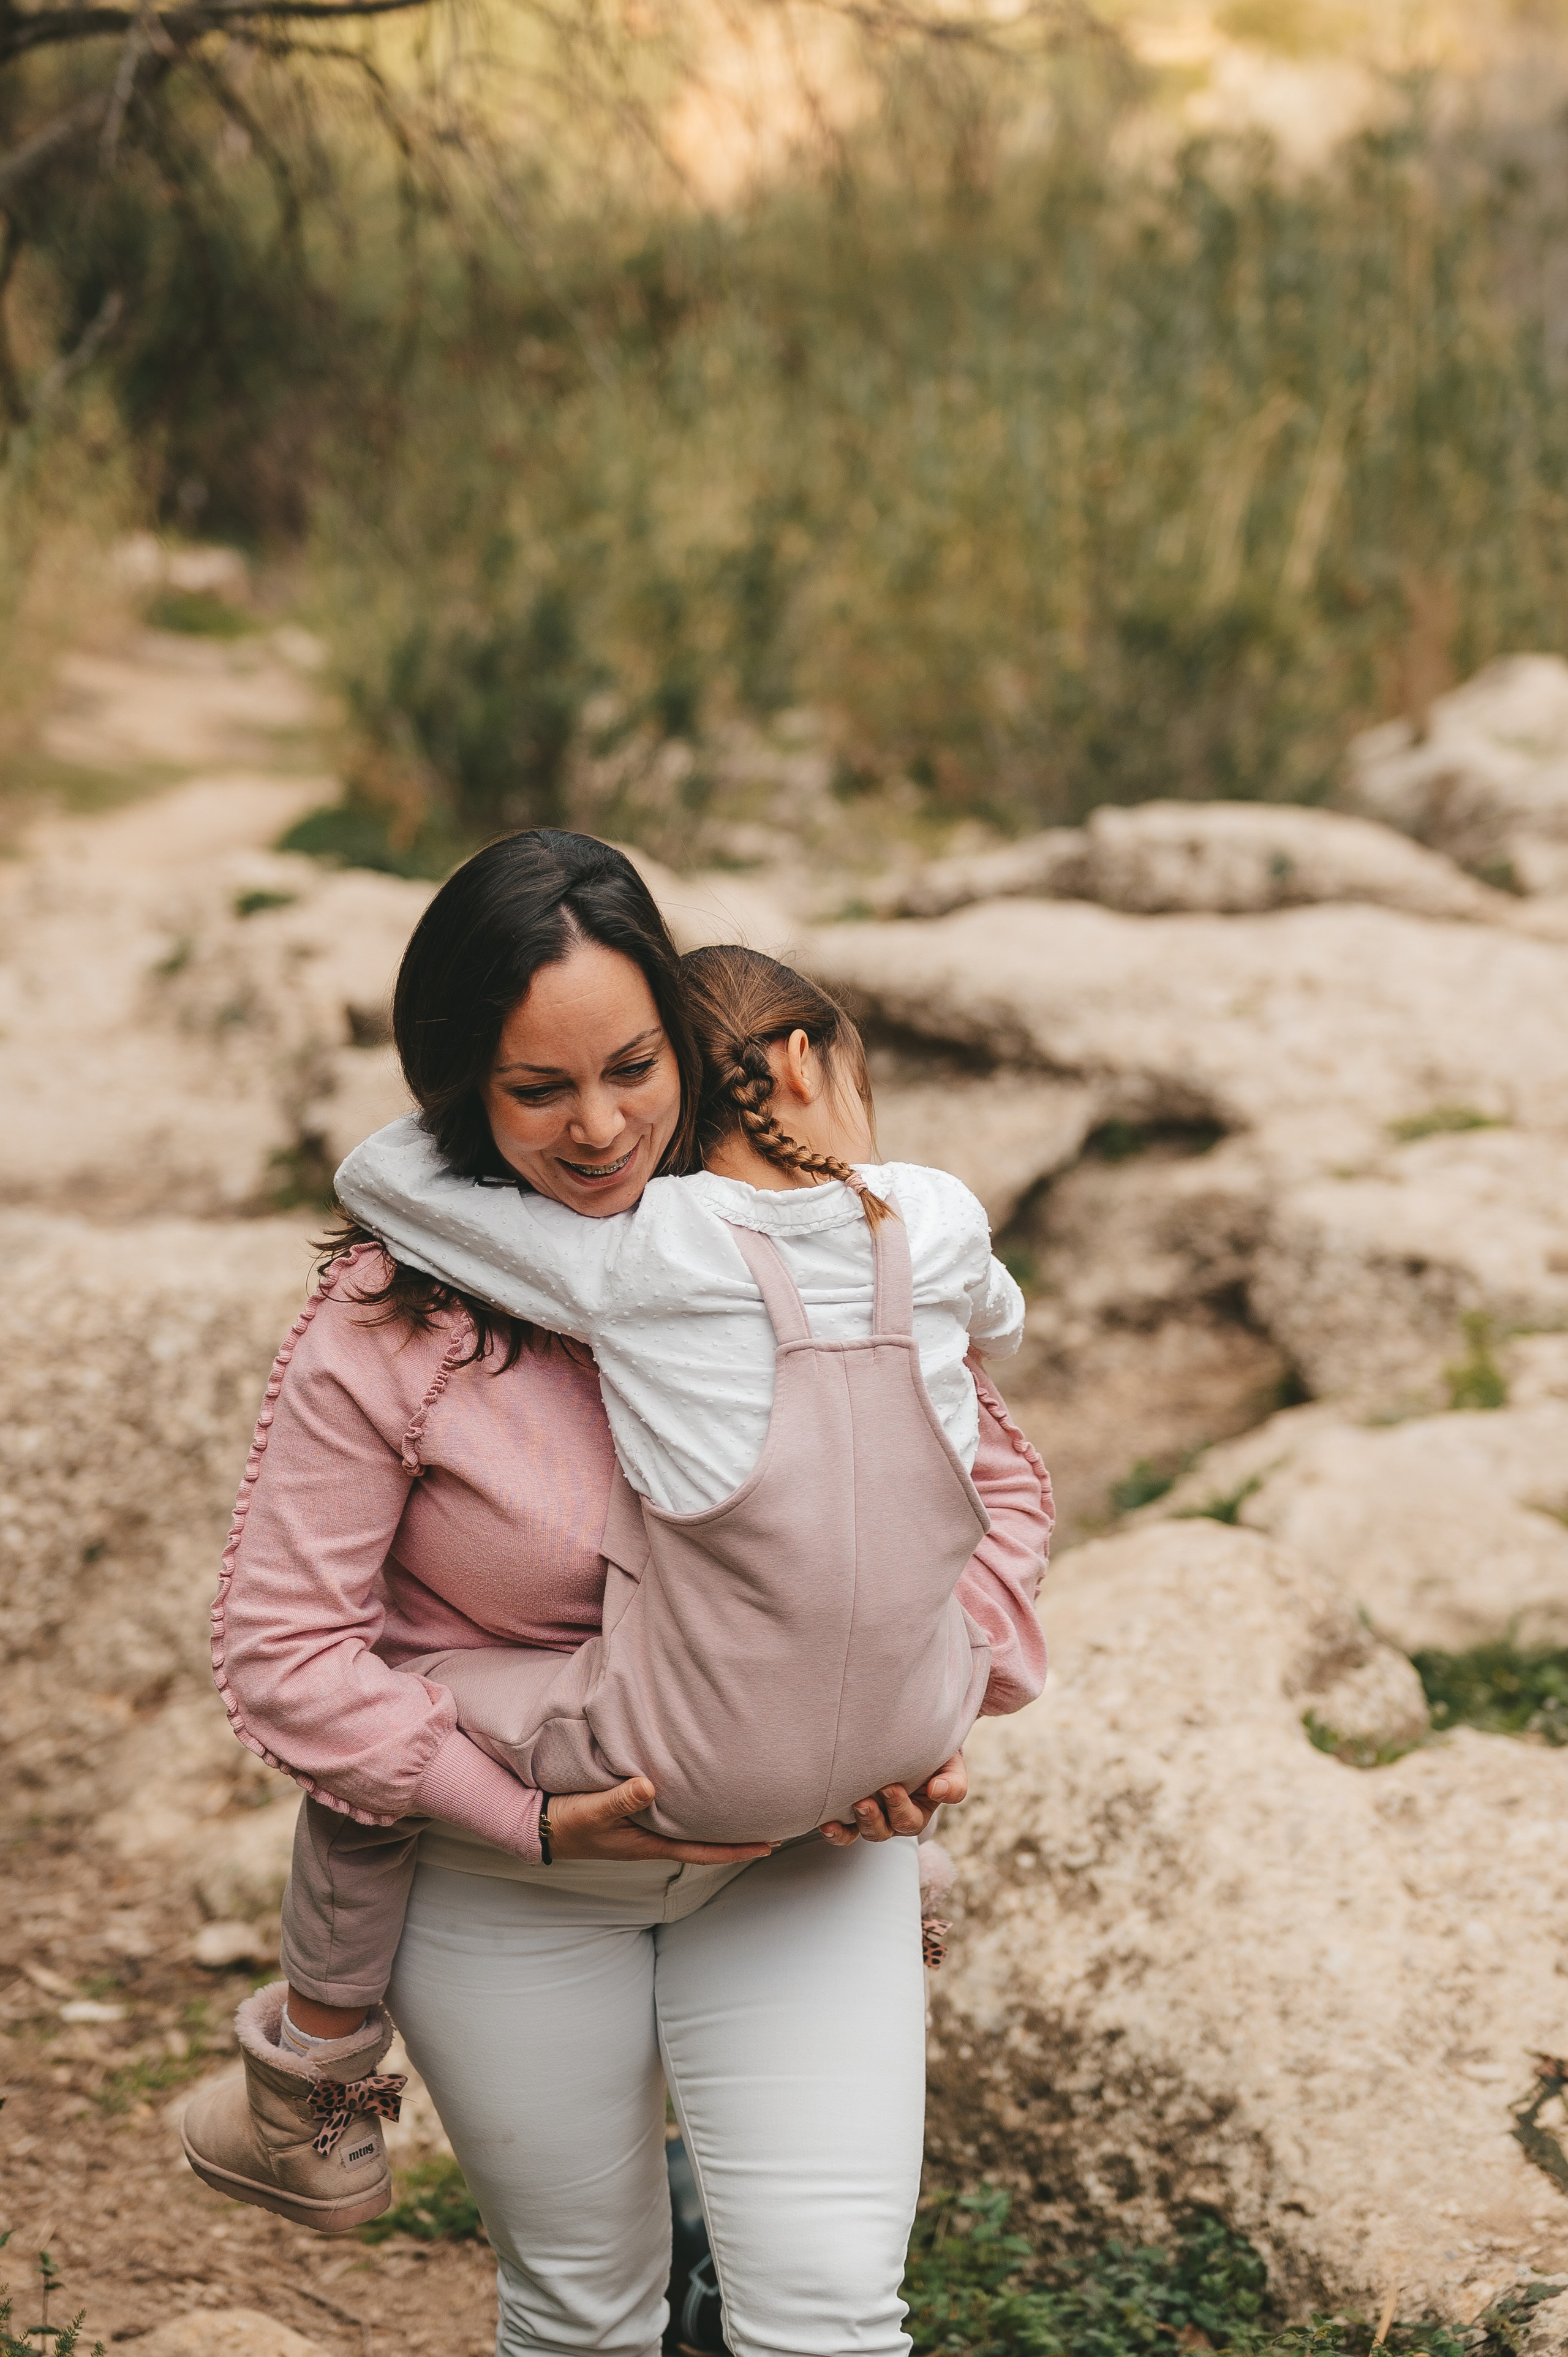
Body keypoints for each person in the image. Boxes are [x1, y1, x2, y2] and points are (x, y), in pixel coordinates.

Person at [184, 830, 1053, 2357]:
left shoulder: (824, 1241)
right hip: (512, 1882)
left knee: (832, 2316)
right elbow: (285, 1649)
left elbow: (991, 1496)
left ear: (683, 1038)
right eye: (537, 1091)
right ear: (462, 1085)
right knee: (583, 2315)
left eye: (634, 1068)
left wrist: (916, 1699)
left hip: (802, 1857)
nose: (598, 1131)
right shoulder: (395, 1320)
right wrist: (507, 1808)